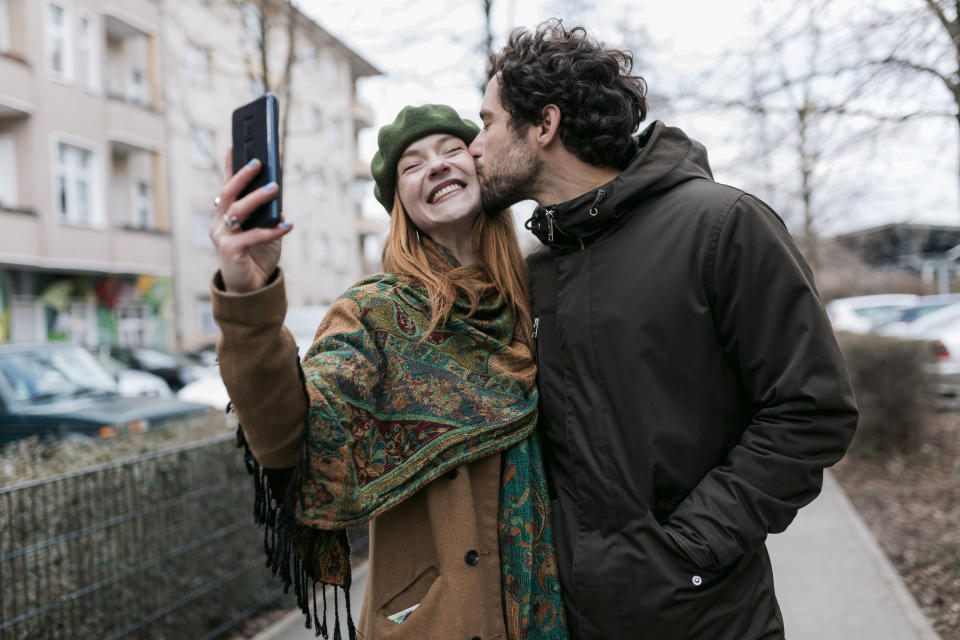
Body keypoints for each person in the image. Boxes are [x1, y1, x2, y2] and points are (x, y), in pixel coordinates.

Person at [467, 21, 859, 640]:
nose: (474, 146)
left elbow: (811, 411)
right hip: (568, 620)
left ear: (544, 125)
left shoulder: (723, 227)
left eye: (486, 122)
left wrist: (691, 549)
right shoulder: (535, 271)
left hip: (706, 617)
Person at [209, 105, 567, 640]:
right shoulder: (373, 314)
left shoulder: (539, 293)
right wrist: (248, 296)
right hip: (437, 619)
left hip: (553, 607)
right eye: (413, 165)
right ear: (399, 203)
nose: (438, 166)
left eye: (452, 151)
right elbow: (292, 436)